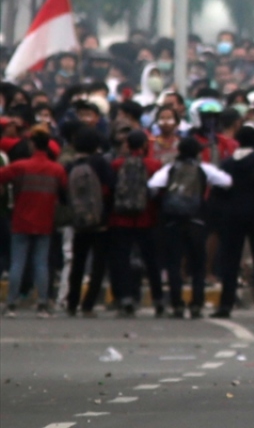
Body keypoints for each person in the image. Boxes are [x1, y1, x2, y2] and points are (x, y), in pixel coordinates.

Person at [147, 137, 232, 319]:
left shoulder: (170, 169)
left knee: (174, 264)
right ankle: (196, 304)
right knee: (198, 265)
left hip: (173, 221)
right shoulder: (204, 169)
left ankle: (177, 305)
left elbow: (152, 185)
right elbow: (226, 182)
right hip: (197, 221)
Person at [0, 128, 66, 317]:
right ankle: (43, 304)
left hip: (21, 220)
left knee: (17, 263)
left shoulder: (20, 167)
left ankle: (11, 304)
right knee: (41, 263)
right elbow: (64, 190)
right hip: (45, 221)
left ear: (32, 144)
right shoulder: (57, 169)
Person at [211, 126, 254, 319]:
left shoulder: (227, 163)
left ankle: (225, 305)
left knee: (230, 260)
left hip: (232, 214)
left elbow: (219, 189)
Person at [107, 130, 165, 318]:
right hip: (147, 218)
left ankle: (125, 298)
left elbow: (109, 190)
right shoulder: (154, 165)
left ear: (127, 145)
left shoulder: (117, 165)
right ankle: (158, 299)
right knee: (151, 260)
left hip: (120, 218)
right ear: (145, 145)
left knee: (122, 260)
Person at [63, 128, 114, 317]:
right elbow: (111, 186)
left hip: (79, 221)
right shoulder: (100, 163)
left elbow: (64, 191)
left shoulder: (71, 165)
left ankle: (72, 302)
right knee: (98, 265)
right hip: (100, 220)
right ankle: (88, 305)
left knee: (78, 262)